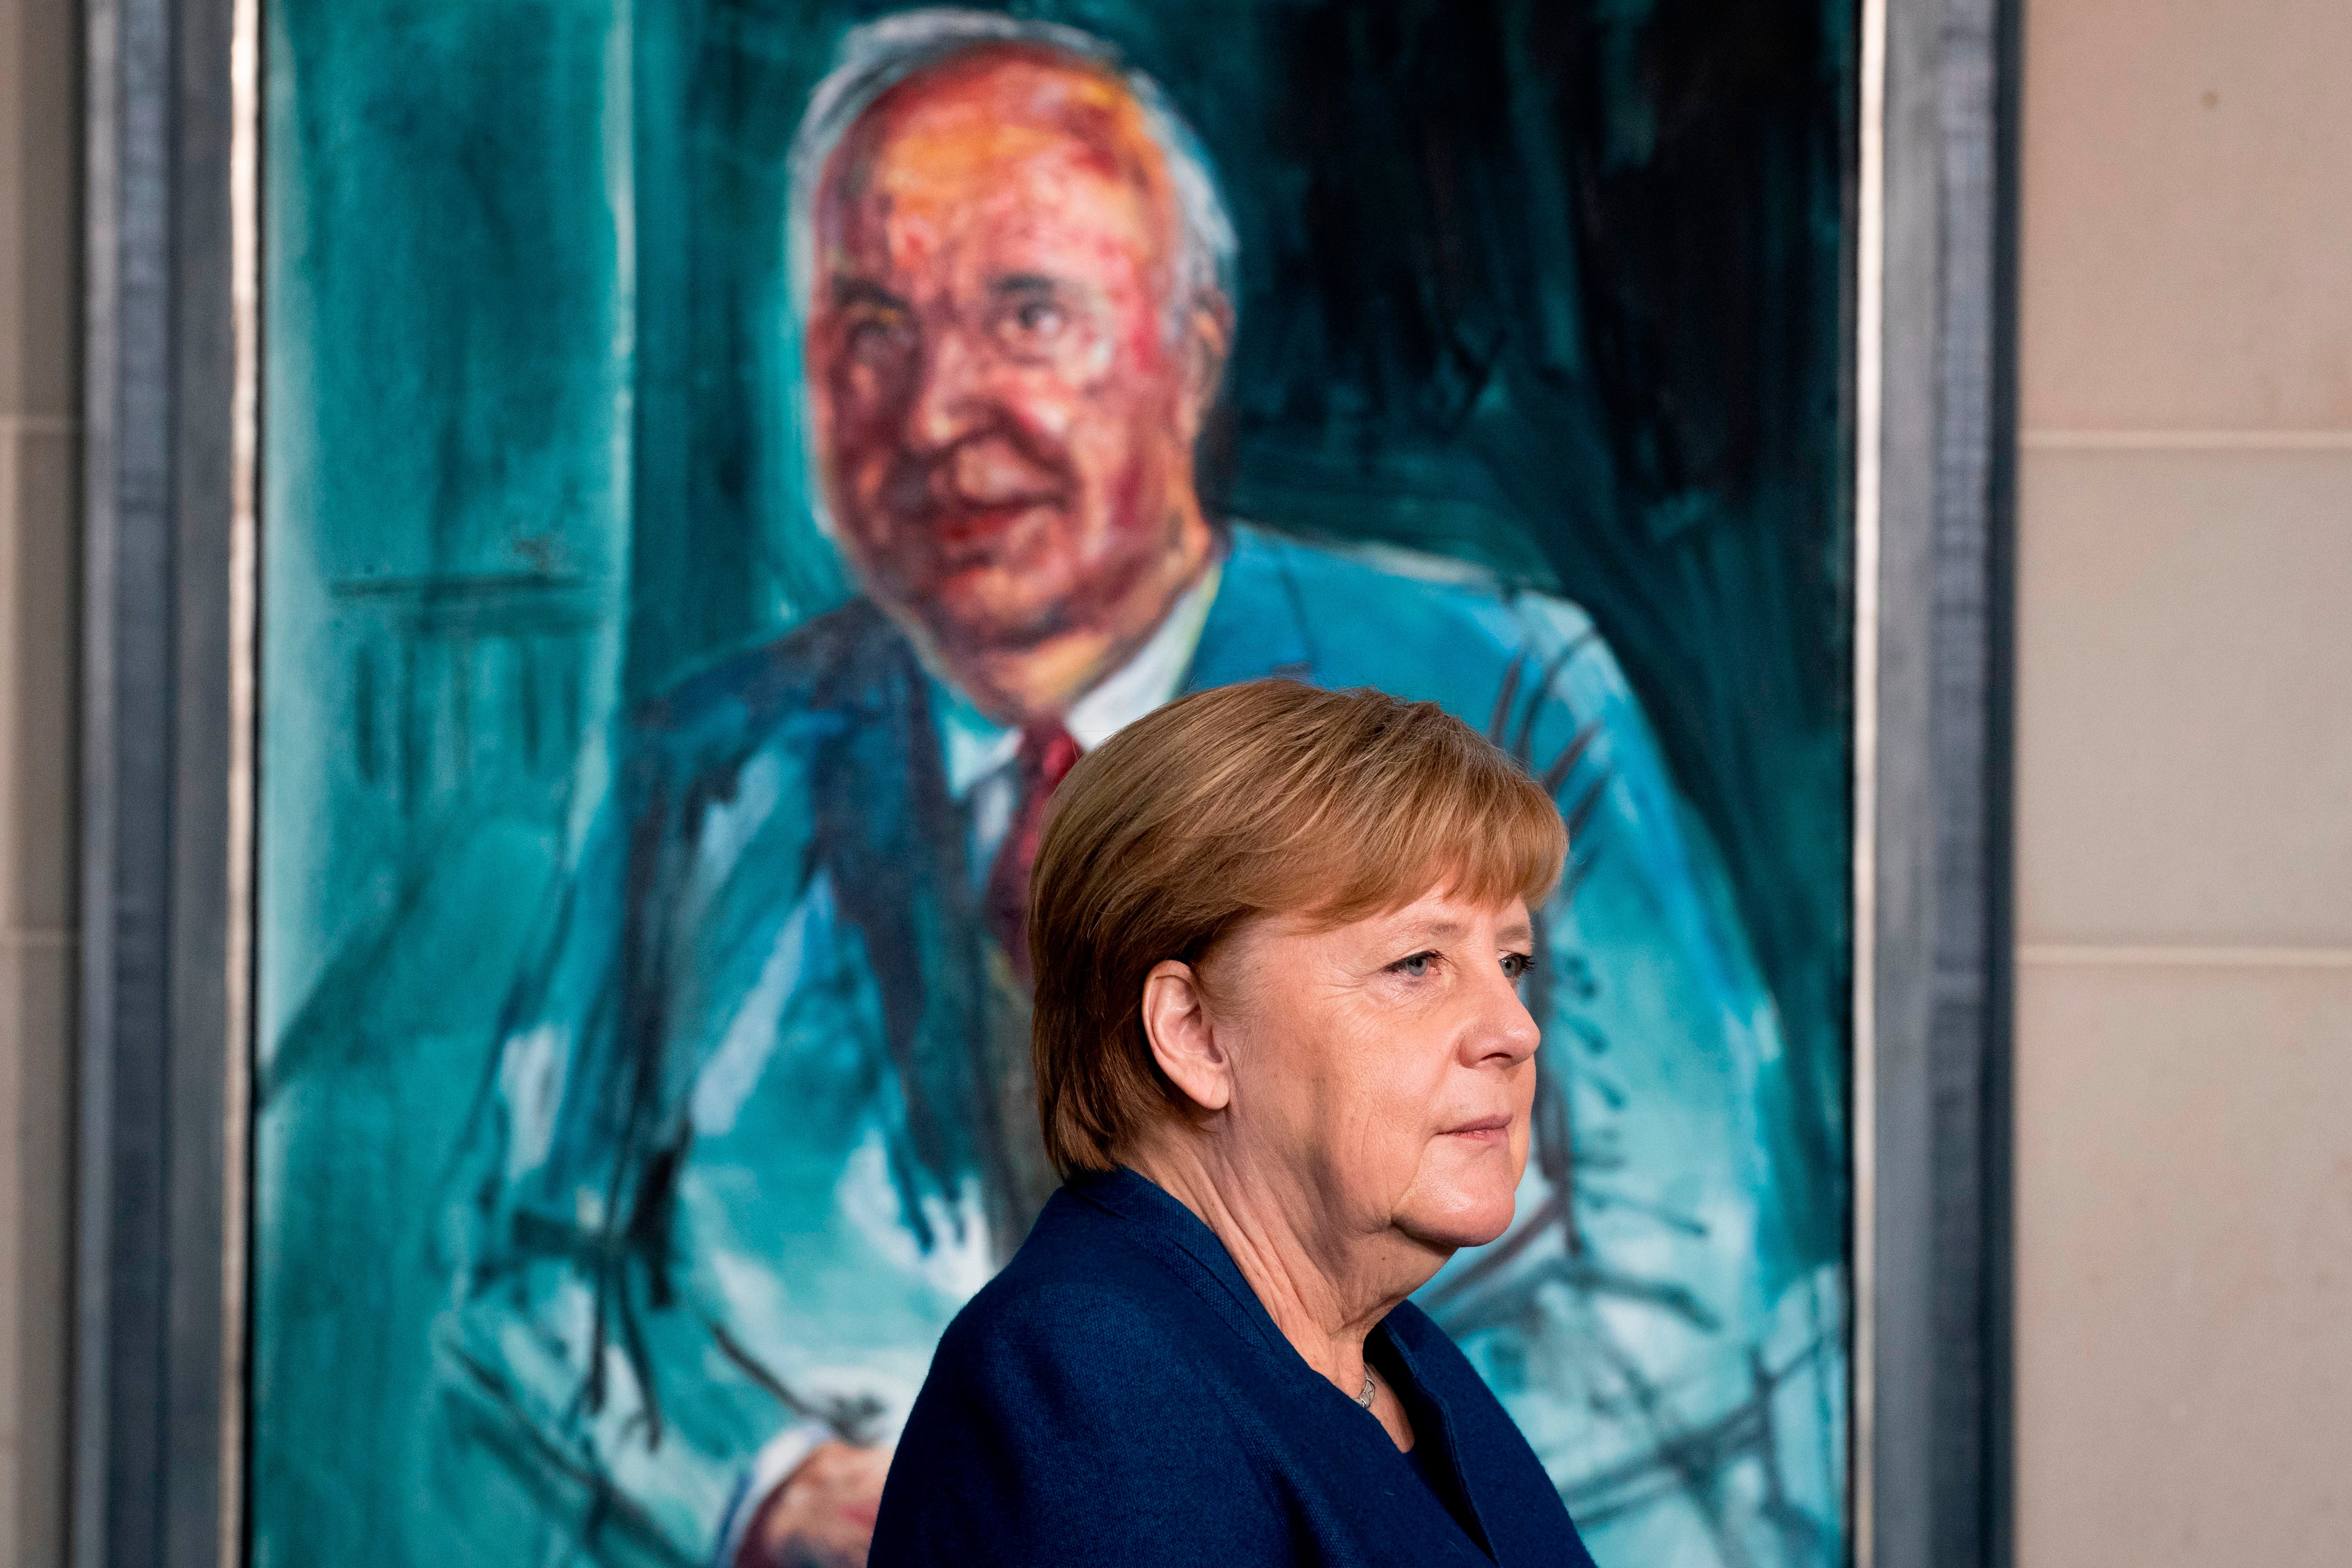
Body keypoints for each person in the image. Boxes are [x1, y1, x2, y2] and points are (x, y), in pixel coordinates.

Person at [439, 11, 1840, 1568]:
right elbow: (527, 1269)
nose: (936, 410)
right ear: (1186, 1027)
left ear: (1195, 350)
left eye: (1025, 313)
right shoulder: (1083, 1387)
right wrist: (766, 1487)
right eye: (872, 332)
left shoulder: (1409, 1373)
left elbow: (1703, 1294)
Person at [871, 680, 1599, 1568]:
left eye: (1510, 962)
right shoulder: (1085, 1380)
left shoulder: (1390, 1352)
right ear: (1195, 1033)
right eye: (1416, 963)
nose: (1515, 1031)